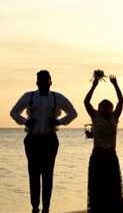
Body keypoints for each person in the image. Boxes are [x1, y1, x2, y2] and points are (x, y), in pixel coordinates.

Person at [10, 70, 78, 213]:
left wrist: (58, 121)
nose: (43, 83)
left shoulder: (56, 97)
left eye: (46, 81)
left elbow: (73, 113)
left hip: (50, 141)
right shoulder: (29, 97)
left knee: (48, 175)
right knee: (33, 174)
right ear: (36, 82)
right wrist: (26, 121)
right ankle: (35, 207)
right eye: (40, 81)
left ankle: (46, 208)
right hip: (32, 140)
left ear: (50, 82)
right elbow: (14, 112)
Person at [84, 72, 123, 213]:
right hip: (97, 156)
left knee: (113, 187)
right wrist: (94, 86)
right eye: (102, 106)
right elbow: (86, 102)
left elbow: (121, 101)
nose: (104, 108)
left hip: (111, 156)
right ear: (99, 108)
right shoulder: (95, 116)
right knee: (97, 188)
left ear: (111, 108)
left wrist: (116, 85)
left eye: (107, 107)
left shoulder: (115, 117)